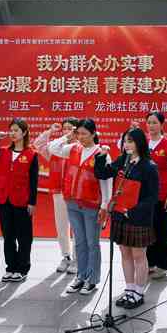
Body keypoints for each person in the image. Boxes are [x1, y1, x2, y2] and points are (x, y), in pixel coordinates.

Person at [95, 127, 159, 308]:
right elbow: (102, 173)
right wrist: (101, 156)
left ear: (140, 143)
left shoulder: (149, 166)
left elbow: (152, 197)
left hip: (137, 217)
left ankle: (139, 292)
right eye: (125, 141)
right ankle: (129, 289)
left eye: (130, 141)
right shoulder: (123, 160)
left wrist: (131, 211)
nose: (126, 144)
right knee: (125, 253)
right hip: (120, 216)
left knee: (139, 254)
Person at [48, 119, 112, 295]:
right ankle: (80, 277)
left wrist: (105, 205)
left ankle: (92, 280)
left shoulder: (101, 153)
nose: (81, 137)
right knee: (80, 243)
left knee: (92, 243)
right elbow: (52, 148)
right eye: (79, 133)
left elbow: (106, 182)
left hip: (91, 205)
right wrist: (68, 136)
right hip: (72, 202)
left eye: (85, 134)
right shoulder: (73, 148)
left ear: (93, 134)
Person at [0, 119, 39, 283]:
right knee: (8, 236)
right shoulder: (3, 152)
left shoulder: (31, 154)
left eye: (16, 130)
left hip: (22, 201)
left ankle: (22, 268)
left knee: (24, 237)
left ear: (24, 133)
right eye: (11, 130)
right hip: (4, 199)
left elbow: (34, 181)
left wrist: (32, 202)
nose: (12, 133)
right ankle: (11, 268)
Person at [32, 118, 79, 274]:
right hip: (59, 192)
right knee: (61, 226)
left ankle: (77, 259)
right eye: (65, 128)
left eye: (71, 128)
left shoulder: (80, 148)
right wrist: (51, 131)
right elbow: (38, 144)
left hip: (77, 193)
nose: (67, 131)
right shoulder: (55, 149)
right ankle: (66, 256)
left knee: (78, 227)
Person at [144, 111, 167, 279]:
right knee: (147, 230)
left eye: (154, 122)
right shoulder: (143, 143)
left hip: (162, 196)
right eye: (149, 122)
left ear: (162, 125)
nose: (151, 126)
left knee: (162, 231)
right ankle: (149, 262)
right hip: (145, 196)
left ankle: (163, 265)